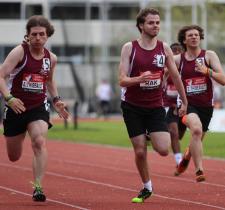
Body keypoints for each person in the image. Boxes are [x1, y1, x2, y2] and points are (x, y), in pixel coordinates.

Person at [119, 8, 187, 203]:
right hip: (132, 106)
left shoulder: (164, 48)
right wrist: (139, 79)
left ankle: (148, 134)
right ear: (141, 25)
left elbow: (175, 75)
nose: (155, 25)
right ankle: (147, 186)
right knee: (140, 150)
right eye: (151, 22)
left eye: (157, 22)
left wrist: (184, 100)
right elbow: (122, 80)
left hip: (155, 106)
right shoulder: (129, 48)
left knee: (164, 149)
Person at [0, 15, 69, 202]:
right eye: (34, 34)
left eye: (42, 34)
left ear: (47, 36)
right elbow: (1, 75)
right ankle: (18, 134)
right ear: (28, 36)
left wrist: (57, 100)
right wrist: (9, 97)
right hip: (16, 107)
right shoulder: (19, 52)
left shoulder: (51, 58)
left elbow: (49, 81)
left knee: (39, 142)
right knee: (14, 156)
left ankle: (38, 187)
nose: (38, 38)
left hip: (38, 107)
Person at [174, 25, 225, 182]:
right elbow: (164, 76)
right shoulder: (178, 59)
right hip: (187, 104)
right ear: (184, 39)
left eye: (197, 35)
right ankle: (199, 170)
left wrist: (206, 71)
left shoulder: (209, 56)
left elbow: (223, 80)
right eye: (190, 35)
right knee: (196, 130)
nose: (194, 37)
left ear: (200, 37)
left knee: (198, 137)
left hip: (206, 106)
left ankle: (187, 157)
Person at [163, 43, 186, 169]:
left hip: (184, 106)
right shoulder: (166, 69)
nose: (177, 53)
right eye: (174, 51)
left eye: (179, 51)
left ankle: (165, 135)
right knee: (174, 133)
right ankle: (179, 161)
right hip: (170, 106)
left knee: (180, 135)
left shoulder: (186, 69)